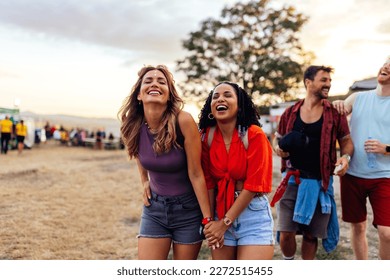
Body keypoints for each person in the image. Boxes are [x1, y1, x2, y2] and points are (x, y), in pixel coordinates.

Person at [118, 65, 213, 260]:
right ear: (139, 94)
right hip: (155, 209)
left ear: (169, 95)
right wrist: (144, 180)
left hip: (188, 210)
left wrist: (207, 218)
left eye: (161, 82)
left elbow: (196, 174)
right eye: (148, 81)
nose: (155, 83)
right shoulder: (132, 124)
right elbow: (139, 154)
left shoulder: (184, 121)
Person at [272, 65, 354, 260]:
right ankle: (289, 261)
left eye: (329, 81)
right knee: (286, 232)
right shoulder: (290, 112)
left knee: (311, 234)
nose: (328, 84)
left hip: (319, 182)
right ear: (308, 82)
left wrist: (345, 157)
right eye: (323, 80)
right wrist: (278, 148)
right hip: (291, 180)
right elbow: (277, 139)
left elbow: (346, 142)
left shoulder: (335, 113)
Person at [198, 81, 274, 260]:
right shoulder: (206, 137)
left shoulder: (254, 135)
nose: (220, 99)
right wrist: (210, 221)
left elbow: (254, 185)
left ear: (239, 106)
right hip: (220, 210)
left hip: (252, 214)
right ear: (210, 107)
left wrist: (223, 224)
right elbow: (208, 182)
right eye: (215, 96)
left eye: (227, 95)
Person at [333, 59, 390, 260]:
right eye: (386, 62)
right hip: (352, 174)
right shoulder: (358, 98)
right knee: (358, 227)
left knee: (387, 233)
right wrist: (338, 104)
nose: (387, 67)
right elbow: (333, 117)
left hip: (385, 177)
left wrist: (386, 148)